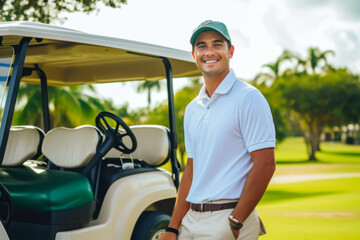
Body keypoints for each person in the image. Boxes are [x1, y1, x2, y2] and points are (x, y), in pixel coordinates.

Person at [159, 20, 276, 240]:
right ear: (194, 54)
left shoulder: (248, 98)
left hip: (228, 219)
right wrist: (173, 227)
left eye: (217, 44)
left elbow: (265, 164)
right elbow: (191, 170)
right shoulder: (193, 108)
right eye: (202, 46)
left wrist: (235, 221)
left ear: (230, 51)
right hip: (191, 220)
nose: (209, 52)